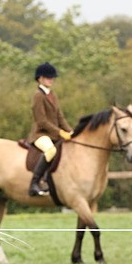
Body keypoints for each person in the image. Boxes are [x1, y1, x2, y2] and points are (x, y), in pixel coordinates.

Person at [28, 62, 74, 197]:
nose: (51, 80)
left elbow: (60, 117)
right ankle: (35, 183)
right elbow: (42, 121)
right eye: (49, 77)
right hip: (40, 134)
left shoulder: (52, 95)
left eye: (53, 78)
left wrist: (70, 132)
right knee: (51, 150)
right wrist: (60, 132)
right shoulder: (38, 95)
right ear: (40, 79)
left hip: (52, 134)